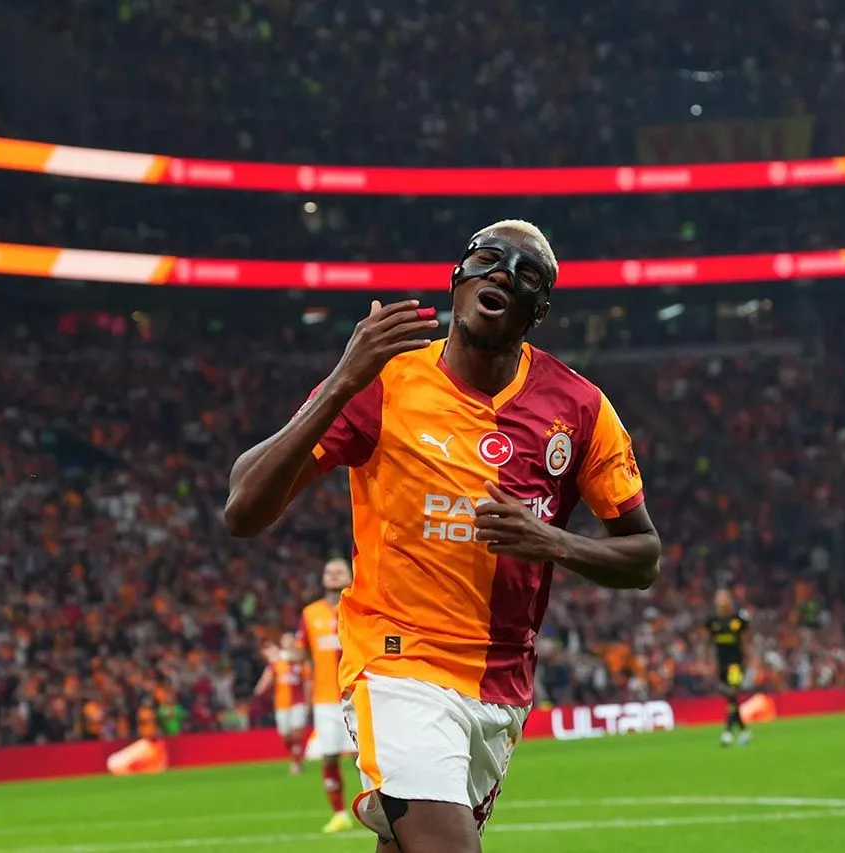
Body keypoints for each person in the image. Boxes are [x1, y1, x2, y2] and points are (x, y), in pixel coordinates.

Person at [225, 219, 660, 853]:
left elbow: (643, 556)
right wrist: (342, 381)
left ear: (538, 311)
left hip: (500, 684)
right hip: (395, 660)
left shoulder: (581, 409)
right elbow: (243, 509)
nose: (503, 274)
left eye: (526, 275)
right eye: (489, 259)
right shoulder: (382, 381)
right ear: (458, 279)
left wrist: (554, 543)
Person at [297, 558, 355, 833]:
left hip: (356, 694)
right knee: (329, 755)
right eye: (328, 571)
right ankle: (340, 814)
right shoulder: (310, 613)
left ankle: (380, 811)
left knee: (364, 758)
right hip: (324, 698)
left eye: (339, 571)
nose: (333, 575)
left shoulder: (359, 606)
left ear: (350, 576)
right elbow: (304, 651)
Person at [254, 634, 309, 776]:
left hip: (298, 702)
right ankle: (294, 753)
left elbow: (308, 682)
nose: (288, 643)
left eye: (290, 641)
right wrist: (260, 688)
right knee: (286, 736)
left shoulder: (301, 662)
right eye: (285, 641)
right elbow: (268, 678)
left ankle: (296, 763)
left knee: (297, 733)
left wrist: (309, 701)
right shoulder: (276, 663)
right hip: (282, 704)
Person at [704, 589, 751, 747]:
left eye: (724, 598)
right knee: (731, 699)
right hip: (721, 664)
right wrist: (707, 661)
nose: (721, 602)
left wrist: (751, 657)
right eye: (719, 599)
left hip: (735, 663)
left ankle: (728, 732)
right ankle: (743, 730)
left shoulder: (737, 619)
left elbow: (746, 638)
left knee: (732, 694)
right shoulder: (712, 621)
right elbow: (707, 641)